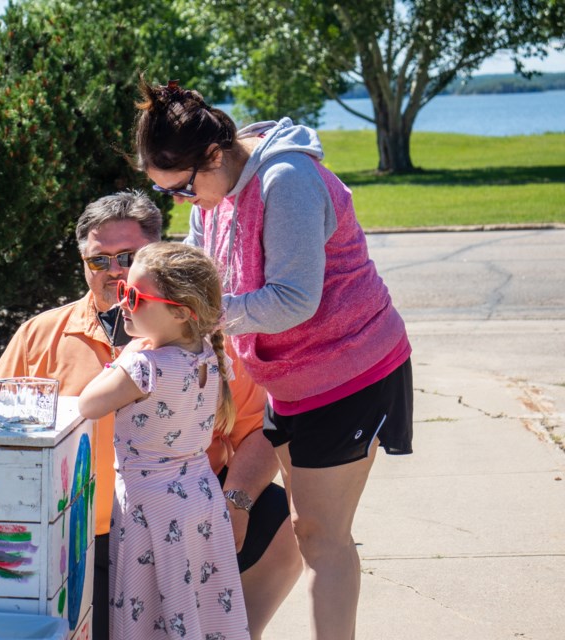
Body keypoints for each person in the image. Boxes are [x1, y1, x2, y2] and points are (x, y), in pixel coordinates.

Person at [133, 78, 414, 639]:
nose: (182, 203)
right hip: (291, 379)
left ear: (213, 155)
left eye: (182, 188)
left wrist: (195, 318)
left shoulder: (286, 181)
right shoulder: (213, 191)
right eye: (169, 194)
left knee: (322, 536)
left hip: (350, 371)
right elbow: (201, 273)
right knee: (307, 526)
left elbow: (293, 299)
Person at [0, 190, 301, 639]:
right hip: (73, 529)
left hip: (176, 516)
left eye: (127, 257)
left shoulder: (207, 340)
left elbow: (262, 431)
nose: (114, 271)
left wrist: (237, 502)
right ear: (82, 262)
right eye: (99, 260)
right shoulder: (40, 334)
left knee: (279, 513)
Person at [78, 241, 249, 639]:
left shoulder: (144, 365)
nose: (124, 304)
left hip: (151, 508)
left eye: (135, 296)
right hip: (200, 498)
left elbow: (88, 404)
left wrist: (126, 354)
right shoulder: (209, 354)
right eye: (123, 292)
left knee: (150, 611)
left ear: (179, 313)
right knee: (197, 603)